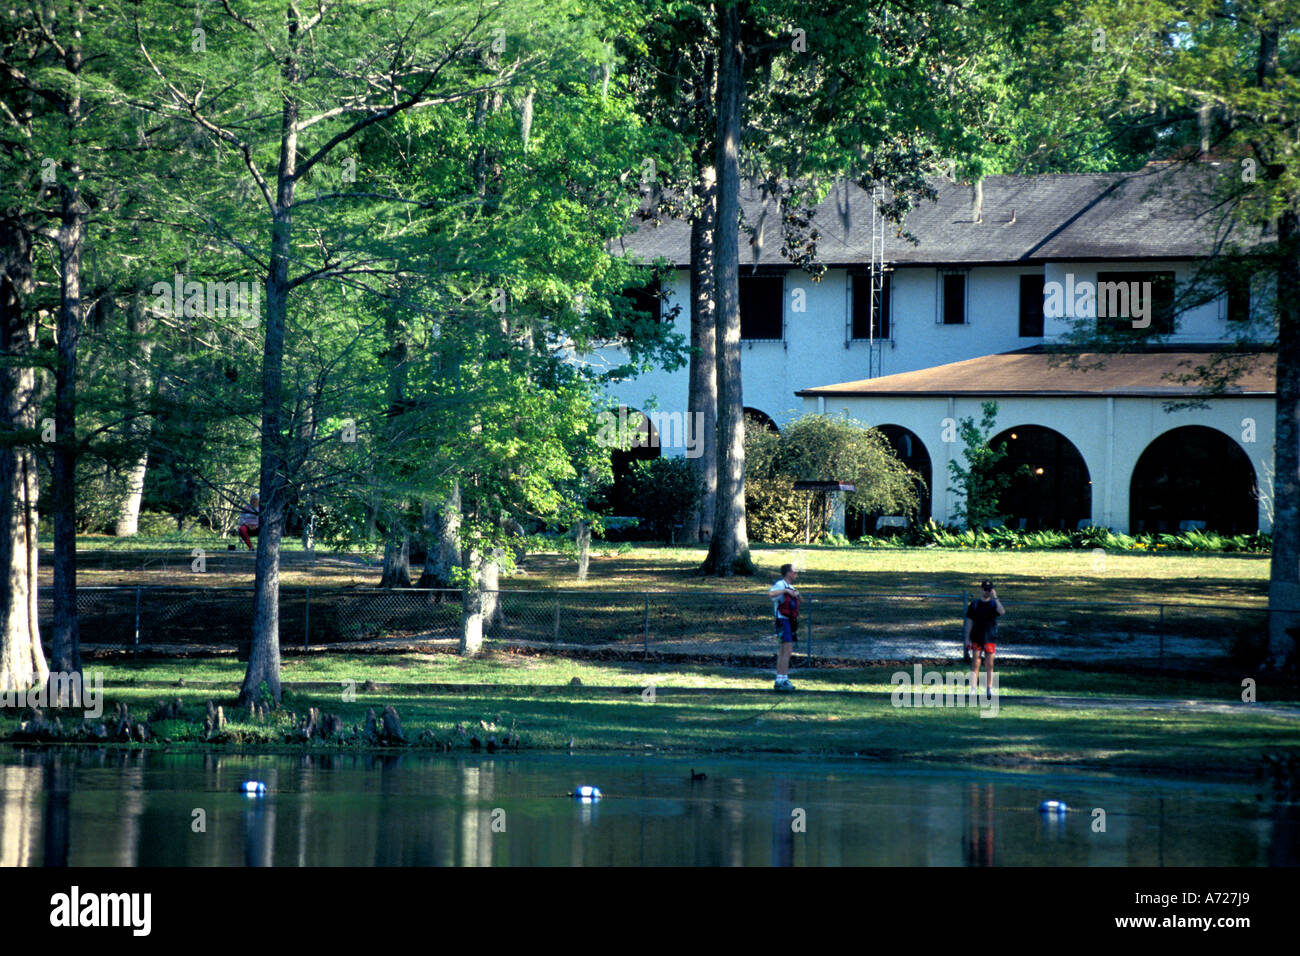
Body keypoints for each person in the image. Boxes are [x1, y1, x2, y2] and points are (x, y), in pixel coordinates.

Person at [964, 579, 1005, 698]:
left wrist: (995, 597)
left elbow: (1002, 612)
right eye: (985, 589)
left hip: (990, 637)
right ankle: (973, 688)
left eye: (989, 589)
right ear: (981, 589)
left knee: (989, 664)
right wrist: (967, 638)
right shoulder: (974, 604)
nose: (987, 591)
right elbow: (969, 622)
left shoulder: (993, 604)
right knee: (975, 662)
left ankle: (989, 688)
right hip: (977, 636)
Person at [768, 564, 800, 691]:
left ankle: (780, 679)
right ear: (788, 573)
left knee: (785, 650)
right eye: (794, 572)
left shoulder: (790, 587)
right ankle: (783, 679)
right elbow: (770, 594)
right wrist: (785, 591)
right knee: (786, 650)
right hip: (782, 620)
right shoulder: (781, 585)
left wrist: (797, 594)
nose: (796, 574)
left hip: (790, 621)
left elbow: (800, 600)